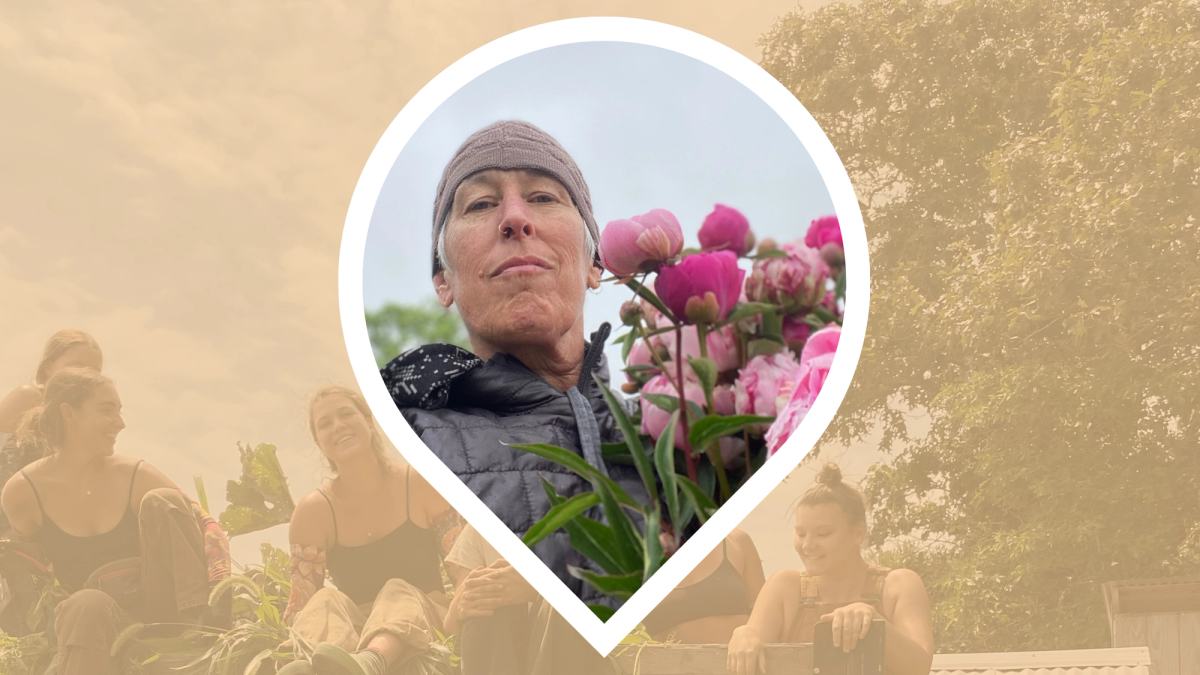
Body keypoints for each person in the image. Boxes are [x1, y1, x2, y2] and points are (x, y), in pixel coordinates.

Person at [382, 120, 651, 607]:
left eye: (544, 197)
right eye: (481, 204)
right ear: (443, 280)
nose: (514, 218)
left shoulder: (678, 439)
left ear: (596, 265)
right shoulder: (405, 438)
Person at [0, 368, 230, 675]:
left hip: (168, 614)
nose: (120, 423)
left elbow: (207, 529)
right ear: (70, 414)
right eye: (107, 410)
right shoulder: (23, 492)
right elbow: (27, 575)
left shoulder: (136, 475)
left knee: (165, 499)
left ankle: (199, 636)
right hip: (97, 624)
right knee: (85, 603)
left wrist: (223, 606)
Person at [278, 385, 466, 675]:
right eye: (325, 424)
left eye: (346, 414)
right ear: (319, 442)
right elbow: (302, 604)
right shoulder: (314, 512)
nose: (338, 426)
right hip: (353, 638)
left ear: (368, 420)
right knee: (325, 599)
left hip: (422, 620)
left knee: (396, 589)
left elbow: (463, 570)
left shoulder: (420, 484)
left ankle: (372, 661)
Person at [726, 464, 934, 675]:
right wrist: (743, 634)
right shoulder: (784, 587)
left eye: (823, 534)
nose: (808, 545)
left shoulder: (898, 585)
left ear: (858, 533)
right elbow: (749, 659)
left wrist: (874, 621)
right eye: (801, 533)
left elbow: (920, 668)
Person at [641, 529, 765, 644]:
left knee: (782, 580)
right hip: (668, 663)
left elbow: (762, 616)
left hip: (740, 663)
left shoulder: (737, 541)